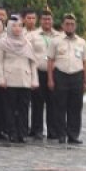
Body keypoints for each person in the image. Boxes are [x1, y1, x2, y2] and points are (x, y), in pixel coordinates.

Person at [47, 13, 86, 144]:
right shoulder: (56, 41)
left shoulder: (81, 42)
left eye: (72, 24)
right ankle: (61, 134)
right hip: (61, 75)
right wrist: (50, 79)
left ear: (75, 26)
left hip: (77, 76)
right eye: (67, 24)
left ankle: (73, 135)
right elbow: (50, 60)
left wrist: (85, 80)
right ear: (62, 25)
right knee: (60, 107)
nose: (70, 26)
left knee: (75, 108)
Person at [0, 18, 39, 144]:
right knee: (10, 108)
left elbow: (33, 63)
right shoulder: (3, 42)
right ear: (9, 27)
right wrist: (1, 78)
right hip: (9, 79)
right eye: (14, 26)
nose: (17, 28)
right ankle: (12, 132)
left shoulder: (27, 43)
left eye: (19, 26)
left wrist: (34, 80)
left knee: (24, 108)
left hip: (24, 79)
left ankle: (22, 133)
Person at [28, 7, 61, 140]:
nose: (47, 21)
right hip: (39, 72)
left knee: (53, 103)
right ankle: (37, 130)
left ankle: (53, 131)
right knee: (37, 103)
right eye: (44, 19)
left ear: (52, 21)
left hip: (54, 73)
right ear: (40, 21)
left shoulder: (59, 36)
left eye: (49, 19)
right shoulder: (32, 36)